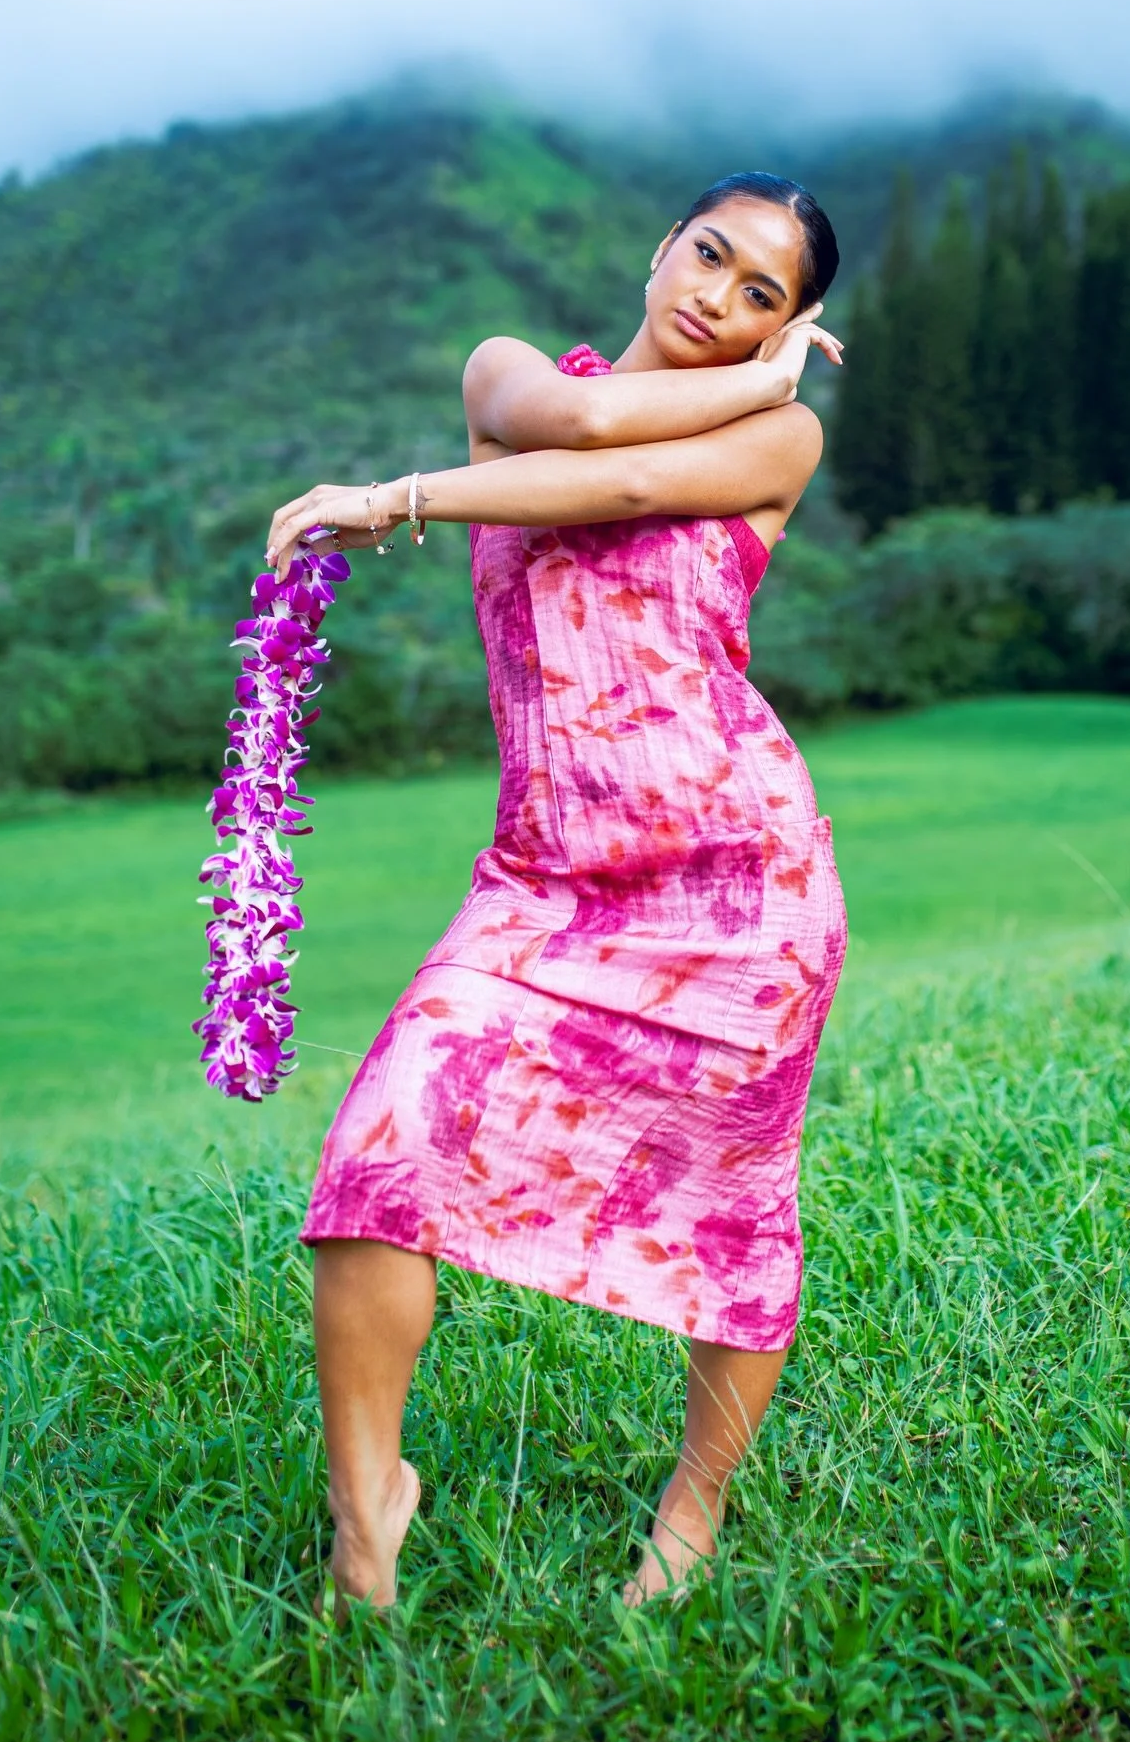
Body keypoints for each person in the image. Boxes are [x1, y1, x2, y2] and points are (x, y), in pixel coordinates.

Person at [264, 172, 849, 1611]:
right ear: (661, 246)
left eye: (760, 293)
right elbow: (583, 432)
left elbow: (637, 482)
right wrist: (414, 494)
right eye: (708, 255)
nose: (716, 295)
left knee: (731, 1217)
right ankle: (366, 1520)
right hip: (544, 882)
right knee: (378, 1157)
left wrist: (394, 499)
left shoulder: (785, 431)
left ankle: (696, 1509)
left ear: (792, 325)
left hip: (739, 888)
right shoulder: (508, 376)